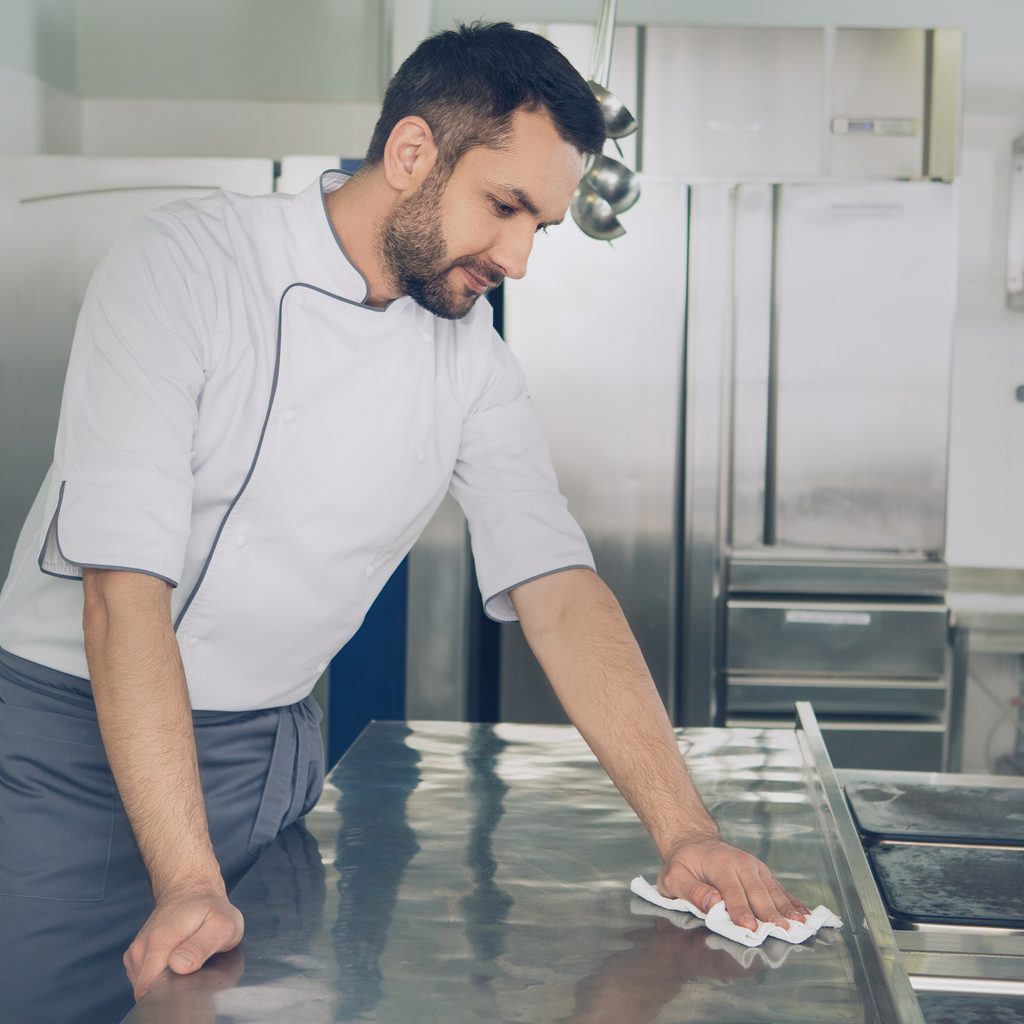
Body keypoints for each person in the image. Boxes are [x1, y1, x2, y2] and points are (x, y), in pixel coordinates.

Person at [0, 22, 807, 1022]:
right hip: (68, 744)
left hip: (263, 755)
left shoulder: (470, 364)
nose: (517, 256)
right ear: (412, 152)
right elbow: (122, 597)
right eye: (504, 207)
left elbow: (558, 589)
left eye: (540, 228)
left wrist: (685, 832)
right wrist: (184, 879)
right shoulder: (185, 266)